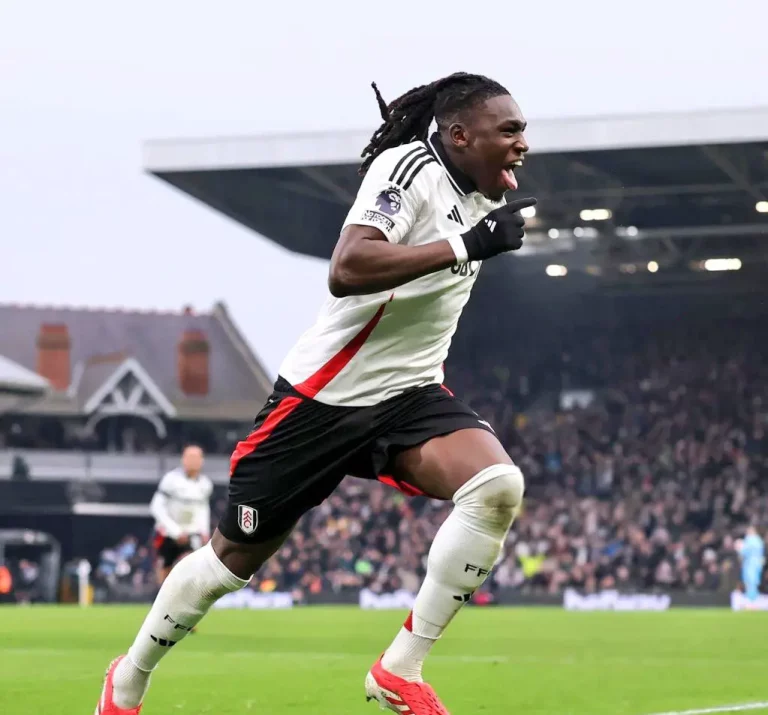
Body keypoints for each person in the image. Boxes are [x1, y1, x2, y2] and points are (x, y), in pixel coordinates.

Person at [95, 71, 535, 715]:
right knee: (229, 563)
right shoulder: (407, 168)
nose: (523, 143)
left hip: (409, 393)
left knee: (497, 486)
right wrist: (467, 245)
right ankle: (128, 678)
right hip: (320, 401)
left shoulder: (488, 194)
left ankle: (399, 671)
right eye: (511, 130)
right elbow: (347, 269)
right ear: (459, 135)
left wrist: (476, 232)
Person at [149, 445, 213, 586]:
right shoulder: (170, 480)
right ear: (183, 459)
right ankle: (163, 601)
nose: (193, 461)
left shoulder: (205, 485)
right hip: (167, 533)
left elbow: (203, 509)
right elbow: (156, 507)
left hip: (191, 534)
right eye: (190, 457)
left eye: (197, 457)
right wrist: (175, 531)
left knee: (191, 566)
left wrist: (204, 531)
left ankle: (185, 601)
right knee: (165, 568)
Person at [738, 525, 765, 609]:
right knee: (754, 582)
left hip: (750, 564)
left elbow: (743, 552)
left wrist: (739, 546)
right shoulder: (759, 541)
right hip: (757, 564)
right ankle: (753, 601)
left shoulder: (749, 540)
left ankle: (751, 602)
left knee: (750, 583)